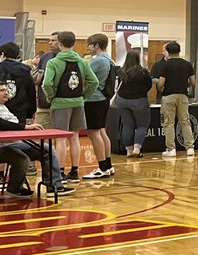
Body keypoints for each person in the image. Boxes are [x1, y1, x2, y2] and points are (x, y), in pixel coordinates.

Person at [42, 30, 98, 183]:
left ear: (59, 44)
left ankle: (60, 172)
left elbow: (46, 83)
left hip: (60, 103)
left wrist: (51, 95)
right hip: (78, 102)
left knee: (60, 139)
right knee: (74, 138)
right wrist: (84, 96)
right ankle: (74, 172)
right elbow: (94, 82)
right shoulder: (82, 62)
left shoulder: (53, 62)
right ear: (74, 44)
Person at [0, 82, 73, 197]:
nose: (6, 92)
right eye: (2, 91)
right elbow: (2, 124)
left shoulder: (4, 107)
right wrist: (25, 127)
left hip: (16, 143)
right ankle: (14, 188)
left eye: (5, 90)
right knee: (22, 158)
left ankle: (53, 186)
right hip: (4, 146)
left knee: (47, 150)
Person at [152, 42, 195, 158]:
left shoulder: (165, 65)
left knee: (168, 123)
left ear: (168, 51)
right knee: (185, 121)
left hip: (168, 96)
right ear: (179, 51)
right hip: (183, 96)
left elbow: (161, 83)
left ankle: (171, 149)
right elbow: (193, 81)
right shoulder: (187, 64)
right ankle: (190, 147)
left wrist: (161, 88)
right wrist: (185, 86)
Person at [84, 33, 115, 178]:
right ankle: (108, 165)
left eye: (90, 44)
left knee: (93, 133)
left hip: (94, 99)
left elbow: (85, 76)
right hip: (103, 99)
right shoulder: (109, 59)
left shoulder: (98, 61)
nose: (88, 47)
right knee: (101, 132)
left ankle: (102, 167)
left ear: (96, 45)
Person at [112, 50, 153, 158]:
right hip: (139, 100)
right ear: (138, 58)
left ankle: (129, 150)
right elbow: (149, 85)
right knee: (142, 125)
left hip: (122, 100)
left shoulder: (120, 71)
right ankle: (137, 148)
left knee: (127, 125)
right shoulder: (143, 72)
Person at [32, 32, 60, 129]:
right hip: (43, 104)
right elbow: (39, 78)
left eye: (53, 40)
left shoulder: (69, 59)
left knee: (60, 136)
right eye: (49, 40)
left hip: (60, 104)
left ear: (61, 42)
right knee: (38, 133)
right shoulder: (45, 57)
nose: (50, 43)